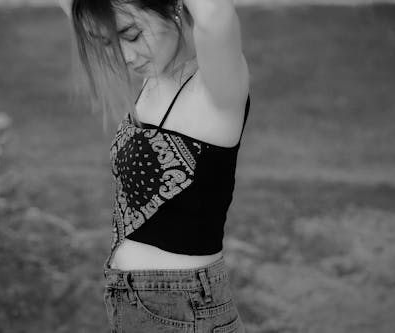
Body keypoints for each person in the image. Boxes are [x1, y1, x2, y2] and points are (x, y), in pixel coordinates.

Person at [59, 0, 250, 331]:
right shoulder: (155, 82)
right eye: (107, 43)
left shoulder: (216, 92)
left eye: (131, 35)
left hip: (184, 310)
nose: (125, 56)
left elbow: (214, 13)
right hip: (136, 306)